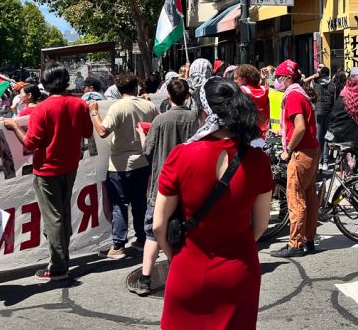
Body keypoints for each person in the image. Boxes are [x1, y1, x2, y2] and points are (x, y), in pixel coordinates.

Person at [152, 77, 273, 329]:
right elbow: (260, 226)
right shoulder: (258, 160)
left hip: (188, 268)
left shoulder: (181, 155)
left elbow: (158, 225)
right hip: (239, 270)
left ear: (205, 112)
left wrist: (173, 254)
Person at [3, 63, 92, 280]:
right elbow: (88, 132)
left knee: (53, 218)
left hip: (46, 169)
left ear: (45, 83)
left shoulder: (42, 108)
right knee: (62, 213)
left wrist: (14, 126)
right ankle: (63, 257)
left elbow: (31, 143)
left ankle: (59, 266)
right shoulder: (79, 104)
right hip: (70, 166)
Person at [130, 78, 198, 297]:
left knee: (152, 231)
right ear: (187, 96)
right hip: (188, 183)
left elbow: (147, 152)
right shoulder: (194, 119)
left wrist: (142, 135)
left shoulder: (160, 120)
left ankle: (145, 278)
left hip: (161, 183)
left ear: (168, 97)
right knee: (187, 229)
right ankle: (186, 274)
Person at [89, 73, 159, 259]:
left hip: (120, 165)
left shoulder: (117, 107)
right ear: (136, 87)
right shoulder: (149, 105)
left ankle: (118, 246)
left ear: (118, 89)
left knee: (120, 206)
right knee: (139, 203)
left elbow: (103, 131)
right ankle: (142, 239)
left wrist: (94, 112)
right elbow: (157, 126)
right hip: (143, 163)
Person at [270, 60, 320, 258]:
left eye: (278, 78)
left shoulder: (292, 96)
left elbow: (299, 127)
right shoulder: (302, 93)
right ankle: (308, 239)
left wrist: (288, 150)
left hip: (300, 152)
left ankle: (295, 243)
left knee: (296, 197)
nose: (276, 82)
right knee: (309, 195)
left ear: (287, 78)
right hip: (312, 150)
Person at [234, 64, 271, 138]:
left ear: (244, 79)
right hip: (263, 133)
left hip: (247, 134)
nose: (234, 81)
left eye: (236, 78)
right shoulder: (265, 90)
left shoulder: (241, 92)